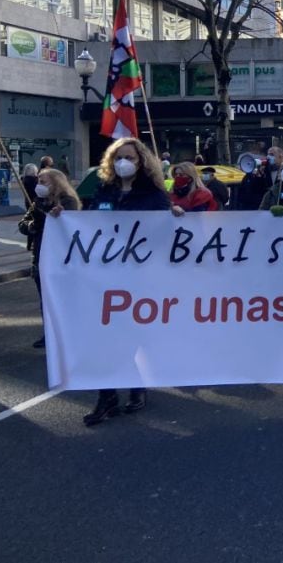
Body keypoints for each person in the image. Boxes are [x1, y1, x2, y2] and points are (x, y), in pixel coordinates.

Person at [83, 137, 175, 426]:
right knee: (101, 338)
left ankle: (135, 385)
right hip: (104, 277)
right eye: (118, 157)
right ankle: (107, 397)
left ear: (141, 162)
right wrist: (63, 218)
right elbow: (87, 224)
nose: (124, 162)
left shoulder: (154, 196)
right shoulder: (104, 191)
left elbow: (164, 237)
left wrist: (176, 218)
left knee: (128, 338)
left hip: (138, 280)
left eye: (130, 158)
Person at [18, 168, 80, 349]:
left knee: (62, 299)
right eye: (38, 181)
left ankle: (67, 333)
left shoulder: (67, 201)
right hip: (40, 256)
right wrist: (31, 225)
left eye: (43, 182)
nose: (39, 185)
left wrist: (54, 216)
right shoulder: (37, 202)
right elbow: (23, 224)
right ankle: (49, 334)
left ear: (56, 183)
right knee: (45, 299)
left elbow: (70, 225)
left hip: (61, 258)